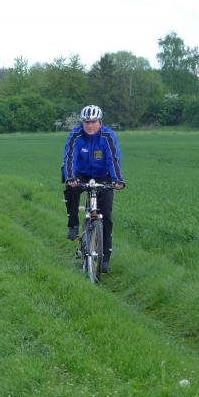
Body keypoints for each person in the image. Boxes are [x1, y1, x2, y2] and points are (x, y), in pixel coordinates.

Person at [63, 104, 125, 273]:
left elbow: (113, 158)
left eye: (93, 122)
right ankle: (73, 224)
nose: (90, 125)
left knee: (106, 216)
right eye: (86, 122)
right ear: (82, 123)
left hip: (103, 175)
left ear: (100, 122)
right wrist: (70, 177)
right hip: (80, 173)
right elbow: (69, 158)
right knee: (71, 189)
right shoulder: (75, 135)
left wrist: (118, 180)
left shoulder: (107, 136)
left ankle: (105, 258)